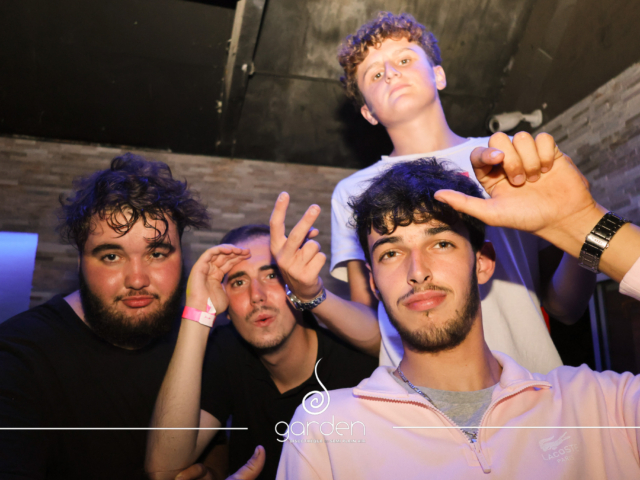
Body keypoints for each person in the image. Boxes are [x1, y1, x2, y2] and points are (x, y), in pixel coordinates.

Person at [276, 133, 640, 479]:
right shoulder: (327, 429)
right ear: (374, 282)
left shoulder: (599, 406)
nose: (417, 272)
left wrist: (584, 222)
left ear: (483, 262)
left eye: (441, 244)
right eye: (391, 253)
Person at [329, 11, 596, 372]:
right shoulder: (353, 192)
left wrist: (586, 232)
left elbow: (566, 308)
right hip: (414, 397)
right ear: (369, 112)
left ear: (438, 75)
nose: (390, 73)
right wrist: (308, 295)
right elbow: (373, 326)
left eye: (404, 60)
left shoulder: (508, 155)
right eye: (375, 74)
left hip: (530, 384)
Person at [0, 154, 260, 480]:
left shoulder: (199, 341)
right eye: (112, 256)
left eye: (157, 253)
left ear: (182, 257)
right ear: (80, 262)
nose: (137, 279)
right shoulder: (17, 356)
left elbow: (214, 445)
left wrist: (211, 473)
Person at [145, 220, 378, 480]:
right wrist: (199, 312)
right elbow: (163, 470)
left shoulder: (357, 368)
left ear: (296, 286)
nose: (257, 295)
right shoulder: (226, 352)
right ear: (226, 307)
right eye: (238, 282)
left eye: (271, 276)